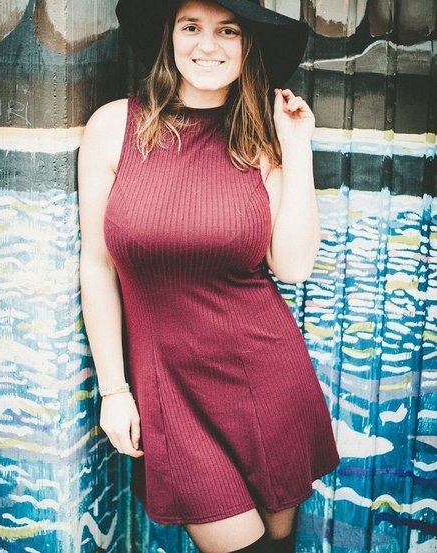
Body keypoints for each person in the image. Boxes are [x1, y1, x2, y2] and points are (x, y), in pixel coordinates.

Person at [77, 0, 340, 552]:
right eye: (191, 27)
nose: (206, 45)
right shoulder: (114, 127)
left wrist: (296, 148)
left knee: (277, 545)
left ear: (248, 47)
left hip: (266, 382)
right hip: (167, 391)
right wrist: (114, 389)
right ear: (170, 38)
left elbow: (292, 266)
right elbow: (98, 266)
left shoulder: (261, 139)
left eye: (228, 31)